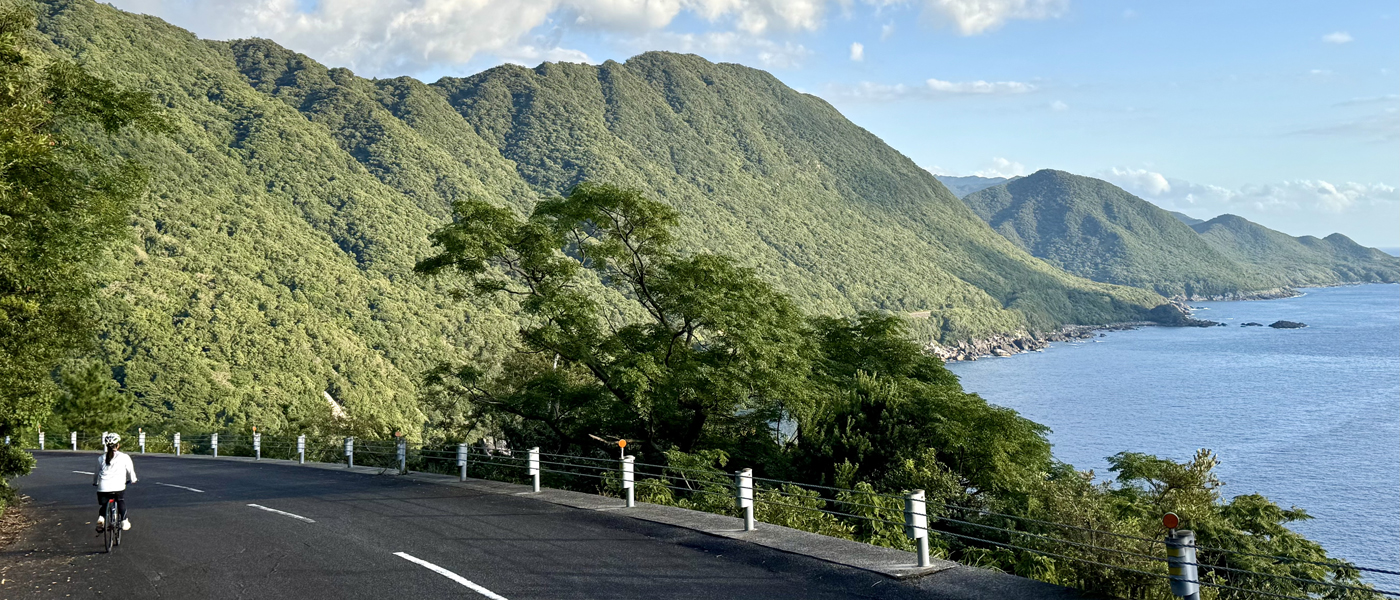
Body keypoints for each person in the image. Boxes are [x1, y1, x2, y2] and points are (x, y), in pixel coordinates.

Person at [93, 432, 137, 532]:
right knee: (120, 500)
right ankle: (124, 521)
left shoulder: (101, 458)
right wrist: (133, 480)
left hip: (103, 487)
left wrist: (95, 482)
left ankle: (101, 519)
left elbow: (96, 474)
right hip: (118, 486)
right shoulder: (124, 457)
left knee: (104, 504)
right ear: (118, 445)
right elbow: (131, 472)